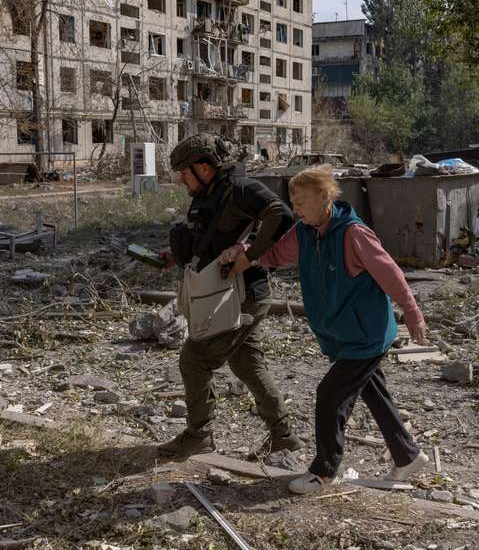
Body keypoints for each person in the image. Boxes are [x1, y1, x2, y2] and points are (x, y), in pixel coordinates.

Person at [220, 164, 429, 494]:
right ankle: (408, 456)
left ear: (324, 196)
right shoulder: (305, 232)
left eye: (301, 201)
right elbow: (274, 254)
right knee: (374, 393)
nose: (296, 209)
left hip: (367, 335)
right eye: (293, 201)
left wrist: (413, 314)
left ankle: (323, 472)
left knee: (330, 396)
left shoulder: (354, 234)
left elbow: (391, 275)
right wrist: (245, 252)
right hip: (345, 335)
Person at [156, 132, 303, 458]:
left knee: (194, 360)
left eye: (184, 172)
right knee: (246, 362)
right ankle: (284, 436)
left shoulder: (239, 188)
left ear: (204, 167)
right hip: (226, 294)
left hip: (242, 294)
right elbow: (209, 238)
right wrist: (174, 256)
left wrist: (249, 256)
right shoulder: (211, 194)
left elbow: (280, 213)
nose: (182, 180)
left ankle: (199, 436)